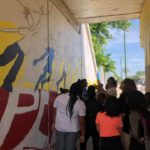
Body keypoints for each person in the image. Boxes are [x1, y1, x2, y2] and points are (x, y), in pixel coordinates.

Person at [53, 82, 86, 150]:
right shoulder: (80, 103)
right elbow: (81, 122)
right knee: (69, 148)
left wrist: (54, 122)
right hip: (73, 130)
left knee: (60, 147)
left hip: (59, 127)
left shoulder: (59, 97)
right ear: (80, 91)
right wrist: (82, 134)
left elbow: (54, 112)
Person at [80, 85, 102, 150]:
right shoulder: (98, 103)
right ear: (94, 93)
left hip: (86, 126)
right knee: (96, 144)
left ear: (87, 93)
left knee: (83, 143)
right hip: (96, 126)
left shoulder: (84, 103)